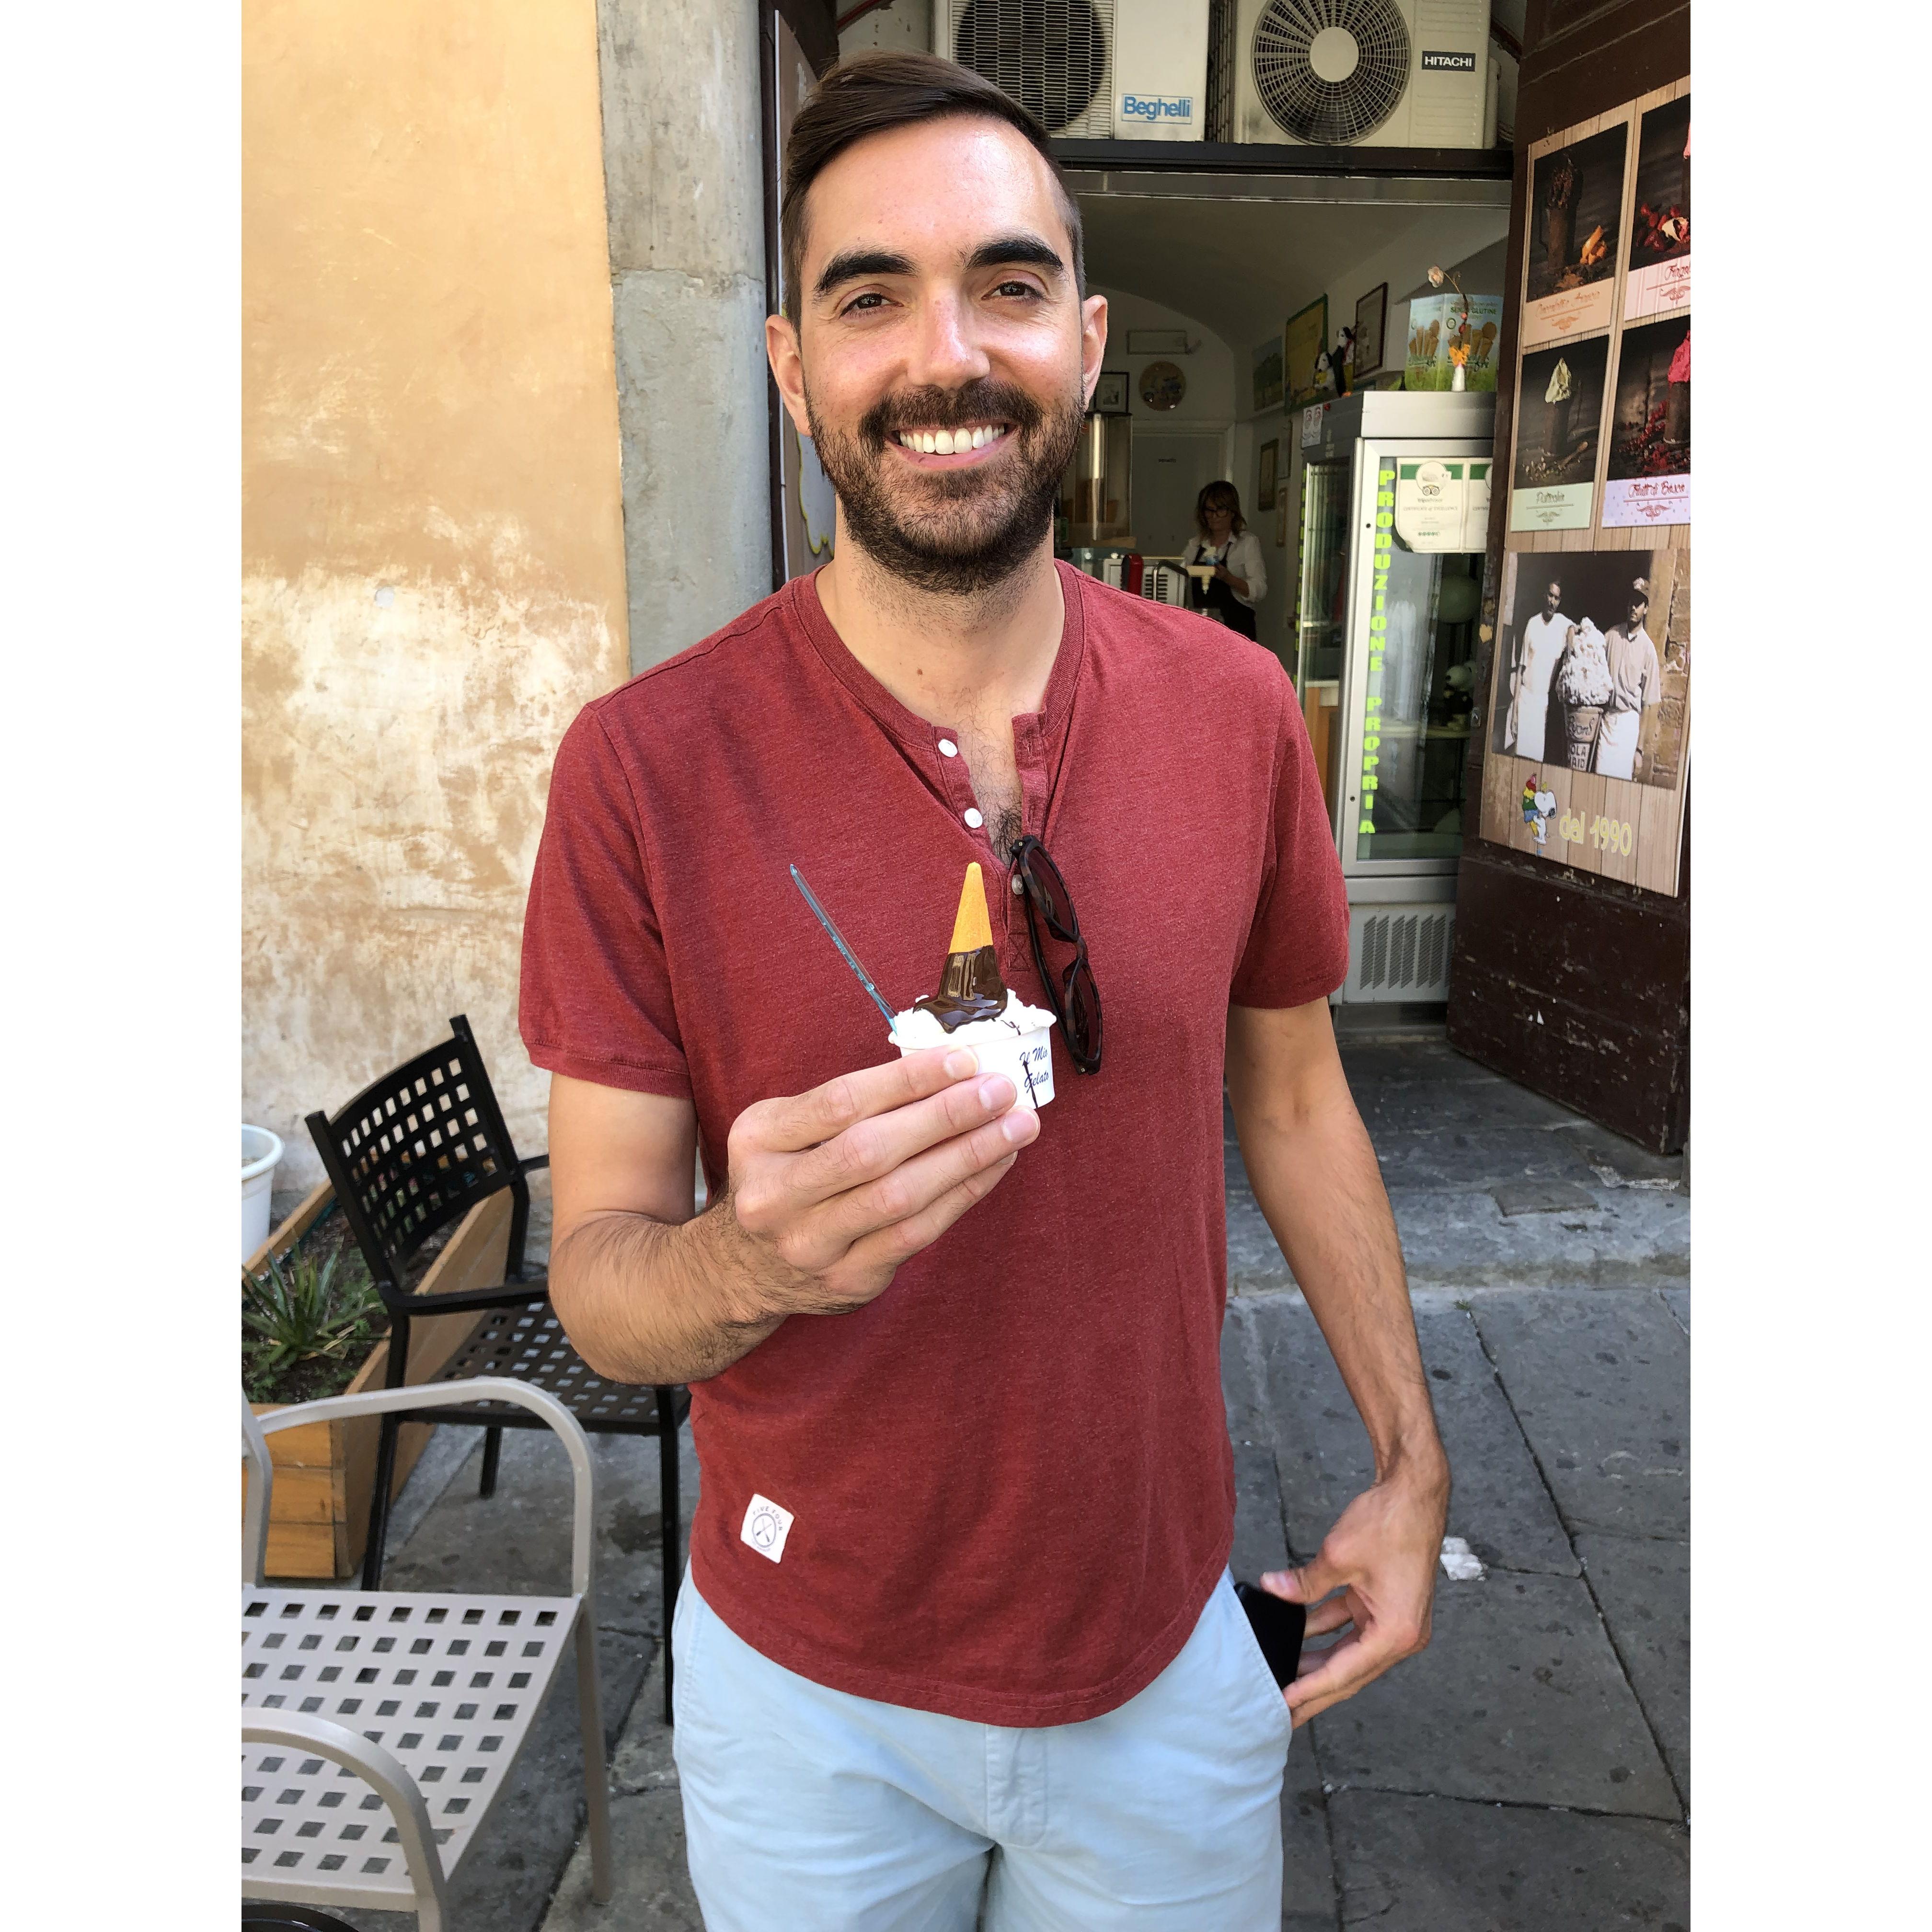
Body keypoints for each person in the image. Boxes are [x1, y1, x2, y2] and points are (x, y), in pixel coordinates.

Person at [520, 51, 1447, 1932]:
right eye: (871, 297)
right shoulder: (645, 769)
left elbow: (1293, 1100)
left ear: (1087, 339)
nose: (948, 354)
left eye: (1008, 286)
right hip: (805, 1698)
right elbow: (603, 1295)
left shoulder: (1236, 712)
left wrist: (1413, 1465)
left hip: (1167, 1658)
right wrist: (750, 1261)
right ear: (793, 362)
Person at [1180, 479, 1267, 638]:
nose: (1214, 516)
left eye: (1220, 510)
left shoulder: (1247, 543)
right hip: (1203, 631)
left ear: (1233, 512)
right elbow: (1178, 574)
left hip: (1238, 630)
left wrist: (1228, 578)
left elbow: (1259, 590)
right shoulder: (1195, 545)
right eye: (1209, 510)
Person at [1596, 576, 1662, 780]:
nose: (1634, 607)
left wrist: (1639, 750)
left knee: (1619, 785)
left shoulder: (1648, 649)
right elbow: (1590, 650)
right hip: (1607, 721)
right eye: (1632, 602)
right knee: (1599, 779)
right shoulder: (1611, 636)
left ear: (1646, 609)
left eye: (1639, 603)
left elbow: (1649, 704)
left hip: (1628, 724)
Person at [1507, 575, 1570, 762]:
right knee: (1520, 758)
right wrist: (1515, 713)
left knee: (1536, 761)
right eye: (1550, 596)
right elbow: (1520, 670)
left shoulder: (1562, 624)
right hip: (1526, 699)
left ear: (1560, 601)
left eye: (1557, 598)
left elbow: (1577, 627)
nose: (1552, 601)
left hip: (1544, 703)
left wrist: (1572, 637)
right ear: (1544, 596)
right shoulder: (1532, 624)